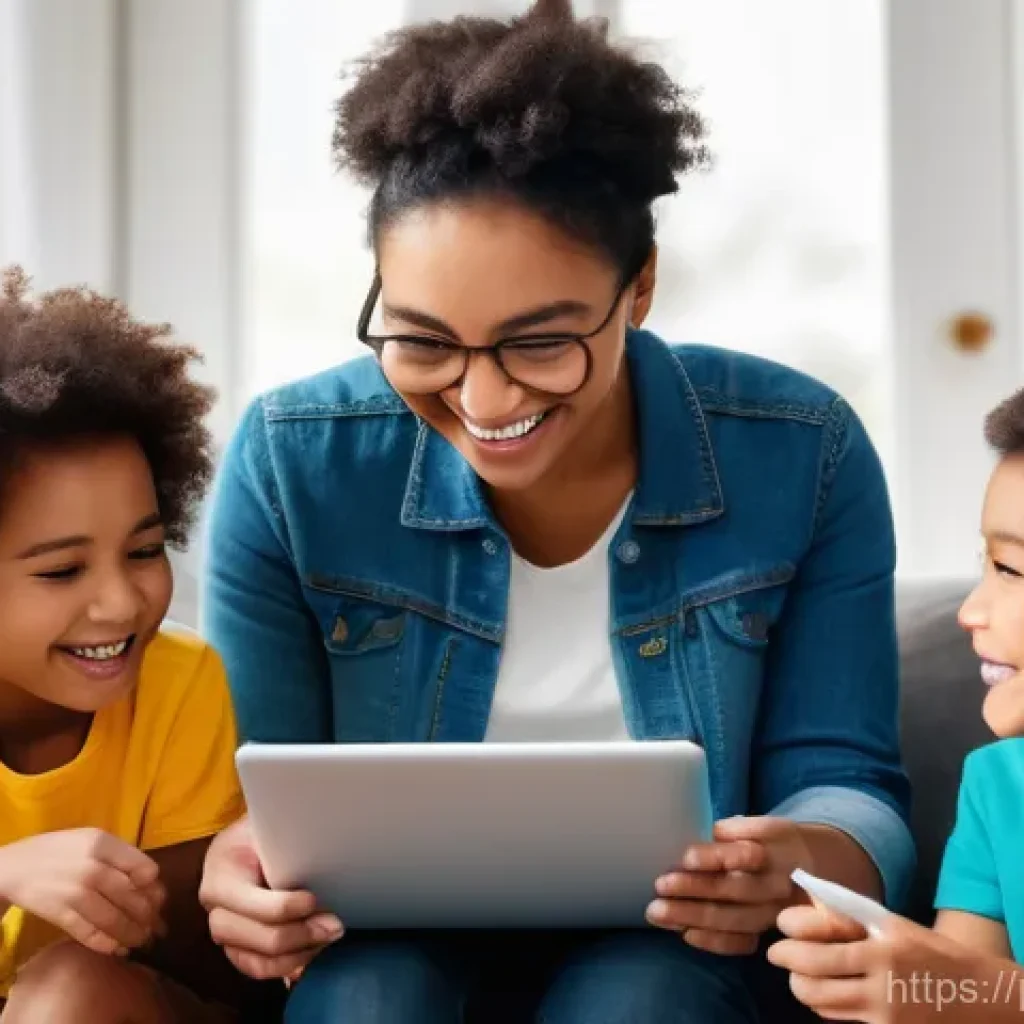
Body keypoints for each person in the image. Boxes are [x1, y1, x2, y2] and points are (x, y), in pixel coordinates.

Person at [198, 1, 914, 1020]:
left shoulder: (805, 450)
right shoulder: (291, 462)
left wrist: (804, 852)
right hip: (386, 946)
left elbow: (846, 776)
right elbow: (255, 791)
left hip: (675, 947)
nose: (483, 402)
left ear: (640, 288)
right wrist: (238, 865)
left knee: (636, 1002)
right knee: (370, 1003)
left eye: (539, 343)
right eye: (422, 340)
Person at [0, 267, 253, 1021]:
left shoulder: (179, 685)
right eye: (62, 570)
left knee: (72, 988)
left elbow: (204, 964)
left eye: (145, 551)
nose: (121, 603)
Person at [767, 388, 1024, 1023]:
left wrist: (982, 992)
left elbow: (980, 991)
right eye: (984, 566)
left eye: (1011, 570)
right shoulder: (998, 786)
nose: (972, 611)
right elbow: (964, 989)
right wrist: (897, 977)